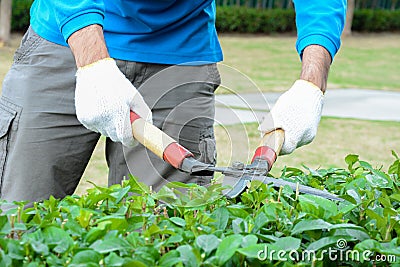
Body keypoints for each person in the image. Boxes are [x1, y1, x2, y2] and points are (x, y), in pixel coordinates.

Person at [0, 1, 346, 203]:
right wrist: (92, 64)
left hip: (180, 54)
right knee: (20, 216)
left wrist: (311, 84)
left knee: (164, 229)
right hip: (64, 34)